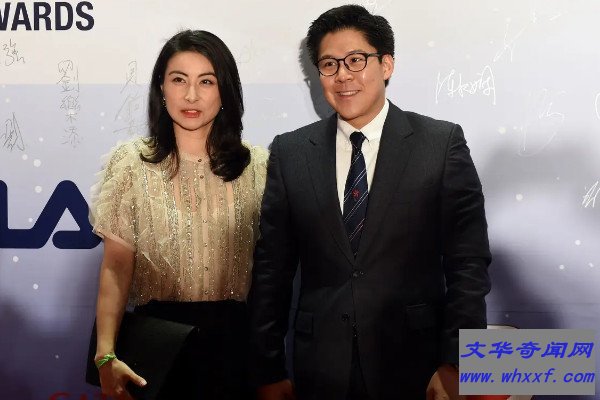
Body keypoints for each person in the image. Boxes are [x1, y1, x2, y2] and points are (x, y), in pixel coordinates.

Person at [248, 5, 491, 400]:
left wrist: (457, 363)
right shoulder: (291, 152)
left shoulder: (440, 144)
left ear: (386, 64)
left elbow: (468, 263)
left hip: (417, 364)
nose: (343, 75)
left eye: (356, 60)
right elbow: (272, 271)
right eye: (329, 64)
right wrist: (267, 369)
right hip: (319, 367)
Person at [90, 29, 268, 399]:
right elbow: (116, 267)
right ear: (161, 88)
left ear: (225, 91)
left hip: (235, 347)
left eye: (206, 81)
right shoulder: (131, 164)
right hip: (156, 346)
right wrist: (105, 353)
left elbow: (274, 274)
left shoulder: (258, 167)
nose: (191, 95)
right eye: (178, 80)